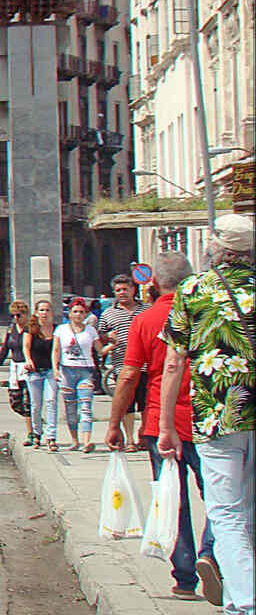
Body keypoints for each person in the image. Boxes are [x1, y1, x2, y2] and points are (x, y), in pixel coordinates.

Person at [105, 252, 219, 604]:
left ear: (153, 283)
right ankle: (212, 554)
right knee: (220, 498)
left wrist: (114, 424)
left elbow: (128, 375)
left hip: (160, 423)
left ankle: (184, 577)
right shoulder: (208, 316)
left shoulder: (146, 319)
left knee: (172, 498)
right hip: (208, 421)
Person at [159, 215, 254, 615]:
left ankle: (246, 601)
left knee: (225, 511)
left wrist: (166, 425)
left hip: (217, 414)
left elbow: (174, 362)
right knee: (246, 508)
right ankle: (234, 593)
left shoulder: (194, 290)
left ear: (217, 249)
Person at [99, 273, 148, 448]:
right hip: (122, 365)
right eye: (118, 290)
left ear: (133, 290)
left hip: (145, 366)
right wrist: (107, 337)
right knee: (127, 405)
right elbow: (99, 337)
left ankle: (145, 435)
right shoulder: (108, 313)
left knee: (145, 404)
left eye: (125, 289)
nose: (122, 293)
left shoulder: (146, 309)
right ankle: (129, 439)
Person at [53, 297, 107, 453]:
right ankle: (74, 440)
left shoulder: (90, 330)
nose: (78, 315)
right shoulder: (61, 330)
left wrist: (111, 345)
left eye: (81, 312)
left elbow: (99, 350)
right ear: (69, 314)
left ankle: (86, 441)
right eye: (75, 312)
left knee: (86, 407)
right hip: (67, 370)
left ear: (86, 314)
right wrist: (55, 370)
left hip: (85, 371)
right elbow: (56, 351)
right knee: (70, 408)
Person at [0, 300, 33, 445]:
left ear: (25, 315)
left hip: (28, 367)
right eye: (13, 315)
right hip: (15, 366)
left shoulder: (31, 329)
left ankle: (31, 432)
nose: (16, 318)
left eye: (18, 315)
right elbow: (5, 347)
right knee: (15, 402)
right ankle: (35, 419)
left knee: (27, 401)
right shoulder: (12, 329)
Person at [24, 299, 59, 450]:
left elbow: (57, 350)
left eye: (47, 310)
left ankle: (51, 436)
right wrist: (28, 360)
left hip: (51, 371)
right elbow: (26, 347)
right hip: (34, 372)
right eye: (42, 310)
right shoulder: (31, 329)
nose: (44, 313)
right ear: (36, 313)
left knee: (51, 401)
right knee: (36, 405)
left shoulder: (56, 329)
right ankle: (37, 433)